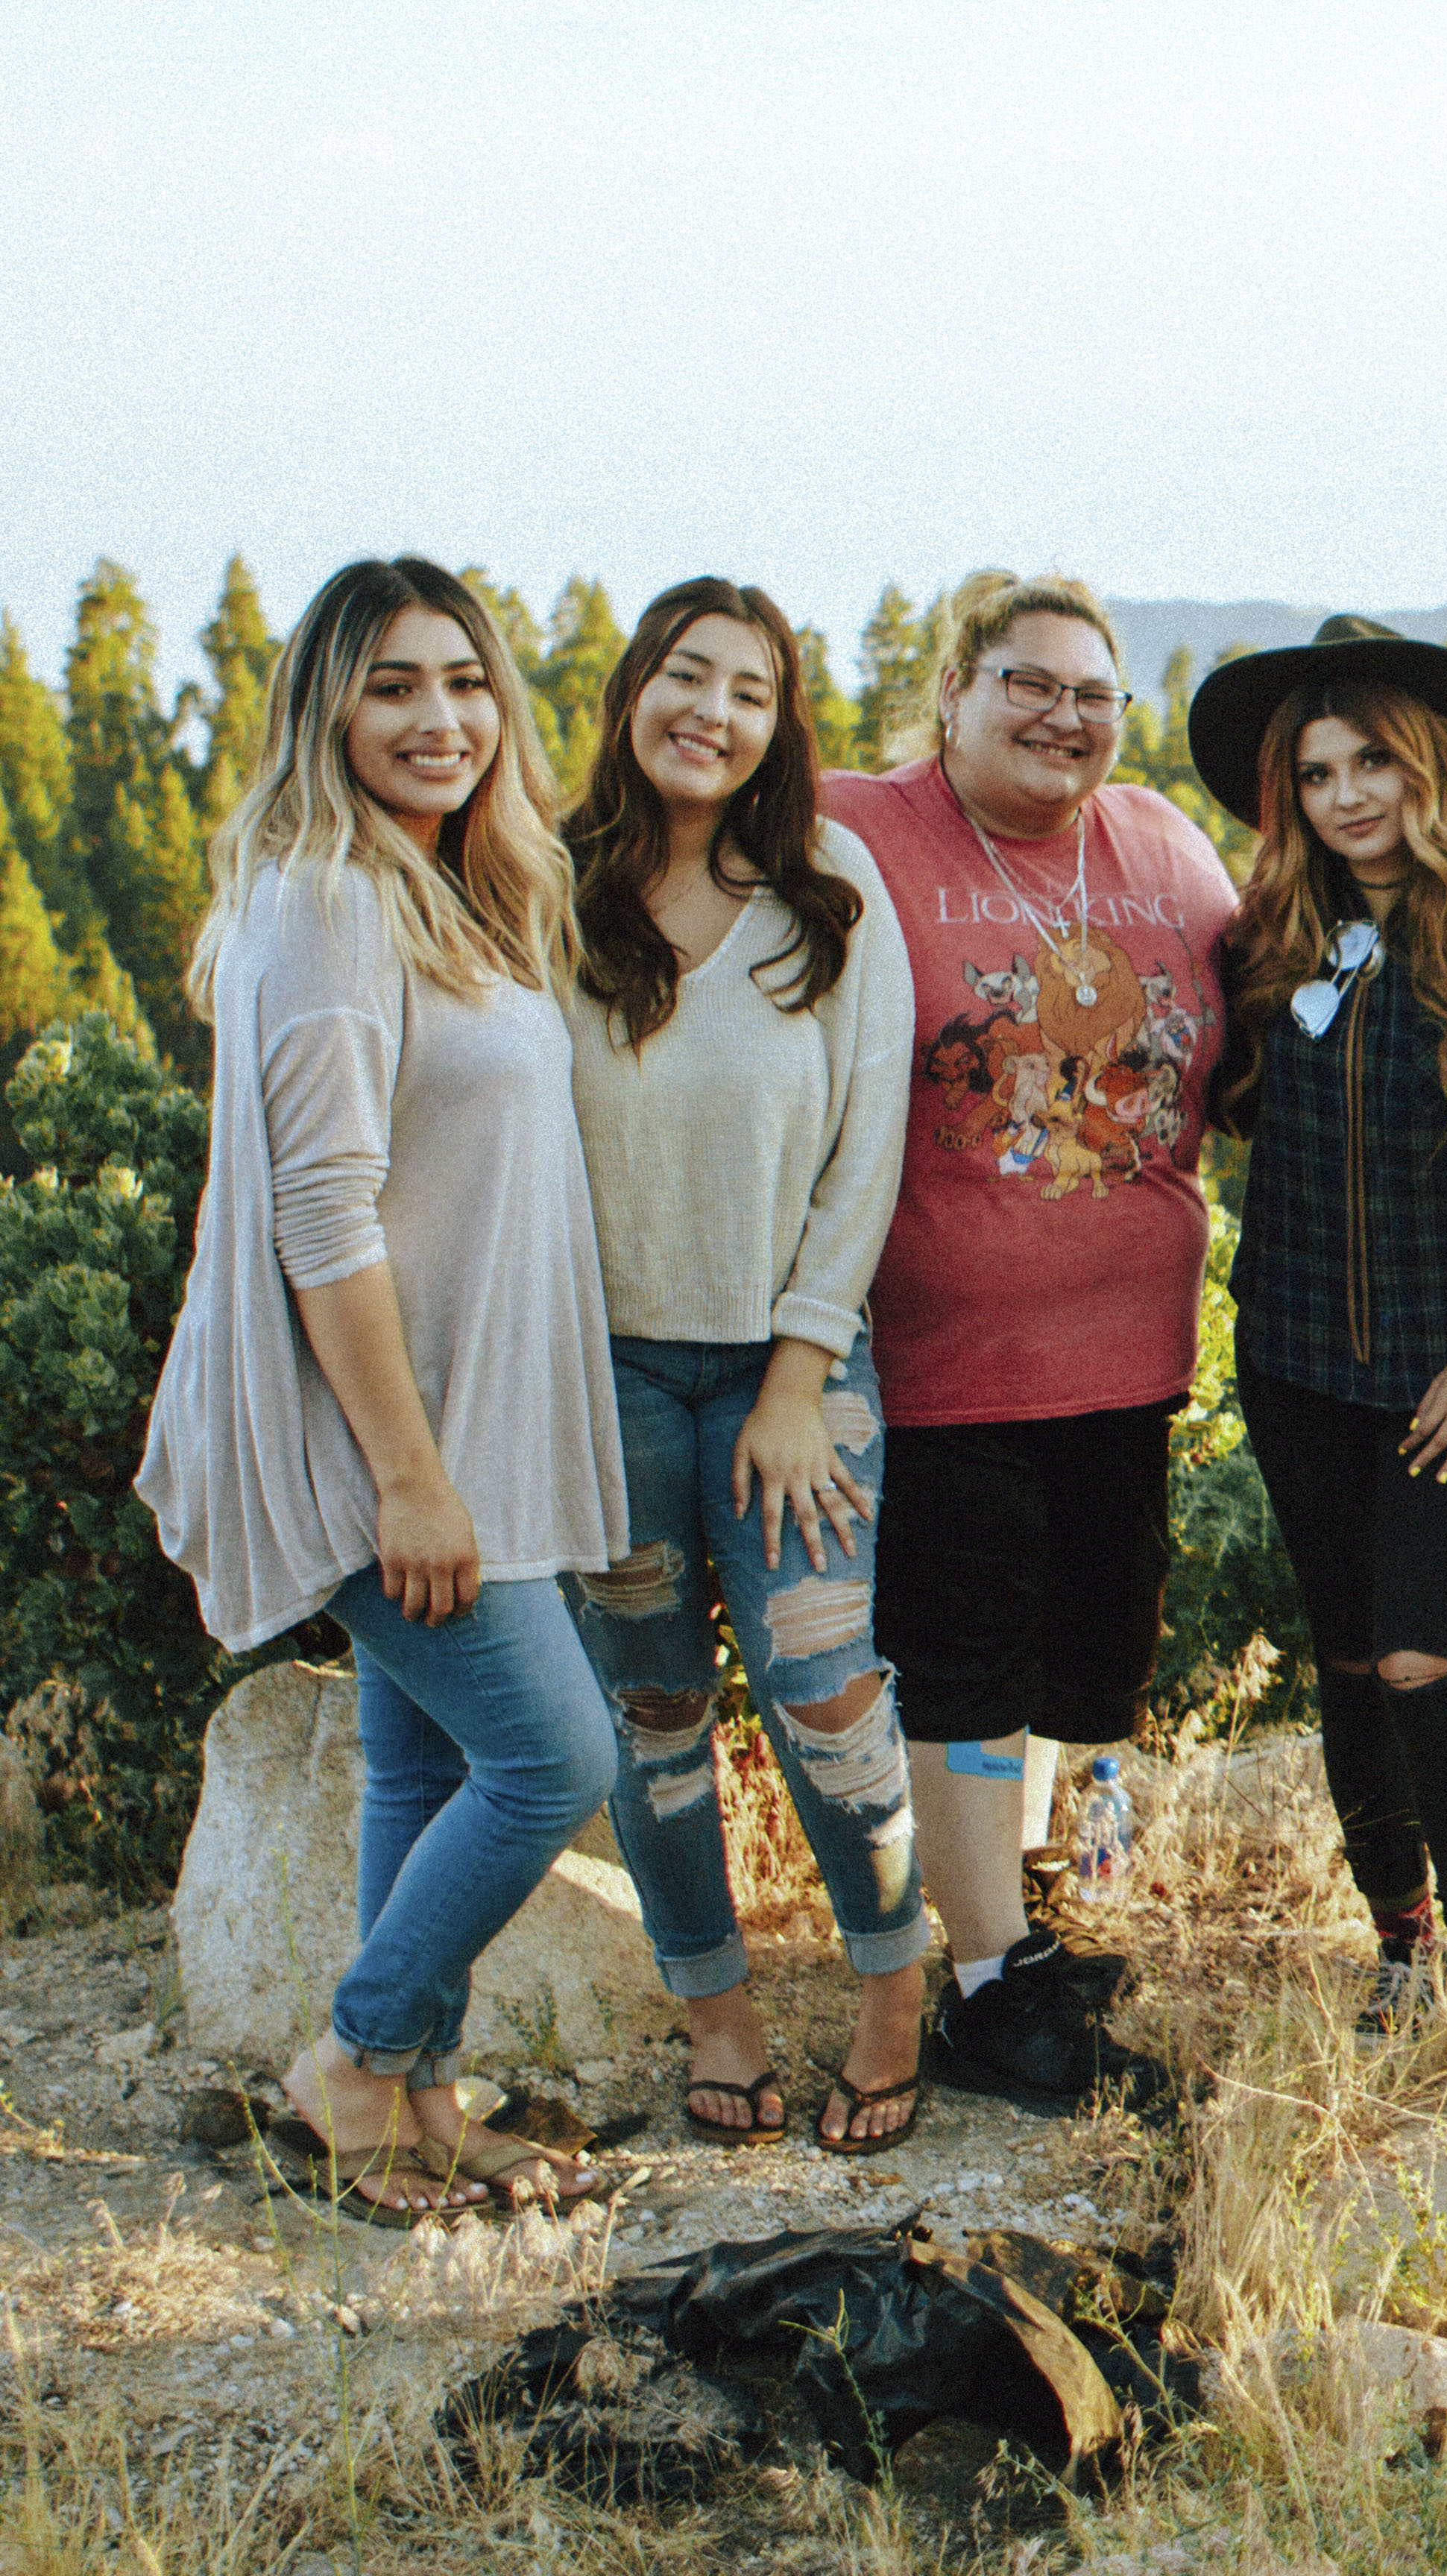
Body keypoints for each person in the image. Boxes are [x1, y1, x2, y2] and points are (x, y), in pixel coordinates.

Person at [137, 558, 622, 2221]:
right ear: (326, 709)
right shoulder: (334, 895)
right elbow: (319, 1212)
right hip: (390, 1439)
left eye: (466, 682)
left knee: (421, 1767)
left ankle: (414, 2100)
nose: (441, 718)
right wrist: (410, 1479)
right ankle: (352, 2054)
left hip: (461, 1423)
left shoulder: (440, 889)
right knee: (559, 1758)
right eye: (395, 685)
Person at [823, 572, 1237, 2110]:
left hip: (1135, 1350)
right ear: (951, 690)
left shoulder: (1167, 849)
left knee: (1084, 1657)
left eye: (1092, 693)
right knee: (971, 1664)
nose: (1064, 715)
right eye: (1027, 682)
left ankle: (1031, 1927)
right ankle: (989, 1981)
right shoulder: (855, 824)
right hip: (947, 1353)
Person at [1192, 618, 1447, 2130]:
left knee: (1425, 1656)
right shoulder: (1269, 935)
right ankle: (1397, 1938)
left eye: (1373, 760)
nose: (1349, 793)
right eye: (1316, 770)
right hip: (1294, 1361)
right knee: (1352, 1664)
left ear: (1429, 767)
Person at [558, 578, 926, 2154]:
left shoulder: (829, 885)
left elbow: (866, 1153)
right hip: (597, 1381)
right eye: (682, 674)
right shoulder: (543, 888)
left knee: (825, 1695)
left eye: (749, 690)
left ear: (782, 725)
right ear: (635, 689)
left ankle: (893, 1995)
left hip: (795, 1368)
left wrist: (793, 1379)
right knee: (651, 1712)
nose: (709, 710)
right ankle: (714, 2010)